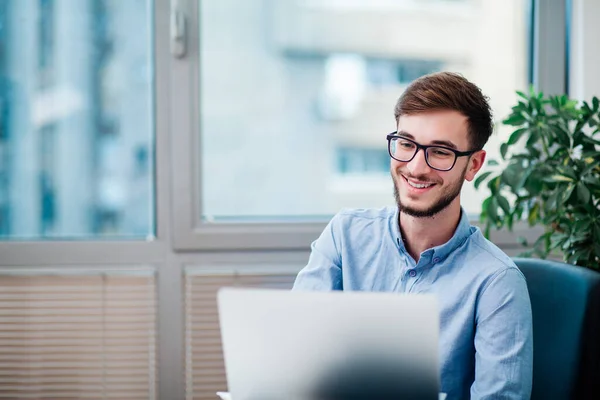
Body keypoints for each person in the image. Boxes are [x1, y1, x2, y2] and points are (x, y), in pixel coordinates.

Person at [293, 72, 533, 399]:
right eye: (406, 144)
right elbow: (295, 361)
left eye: (440, 152)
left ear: (474, 164)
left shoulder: (497, 283)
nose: (417, 167)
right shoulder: (344, 235)